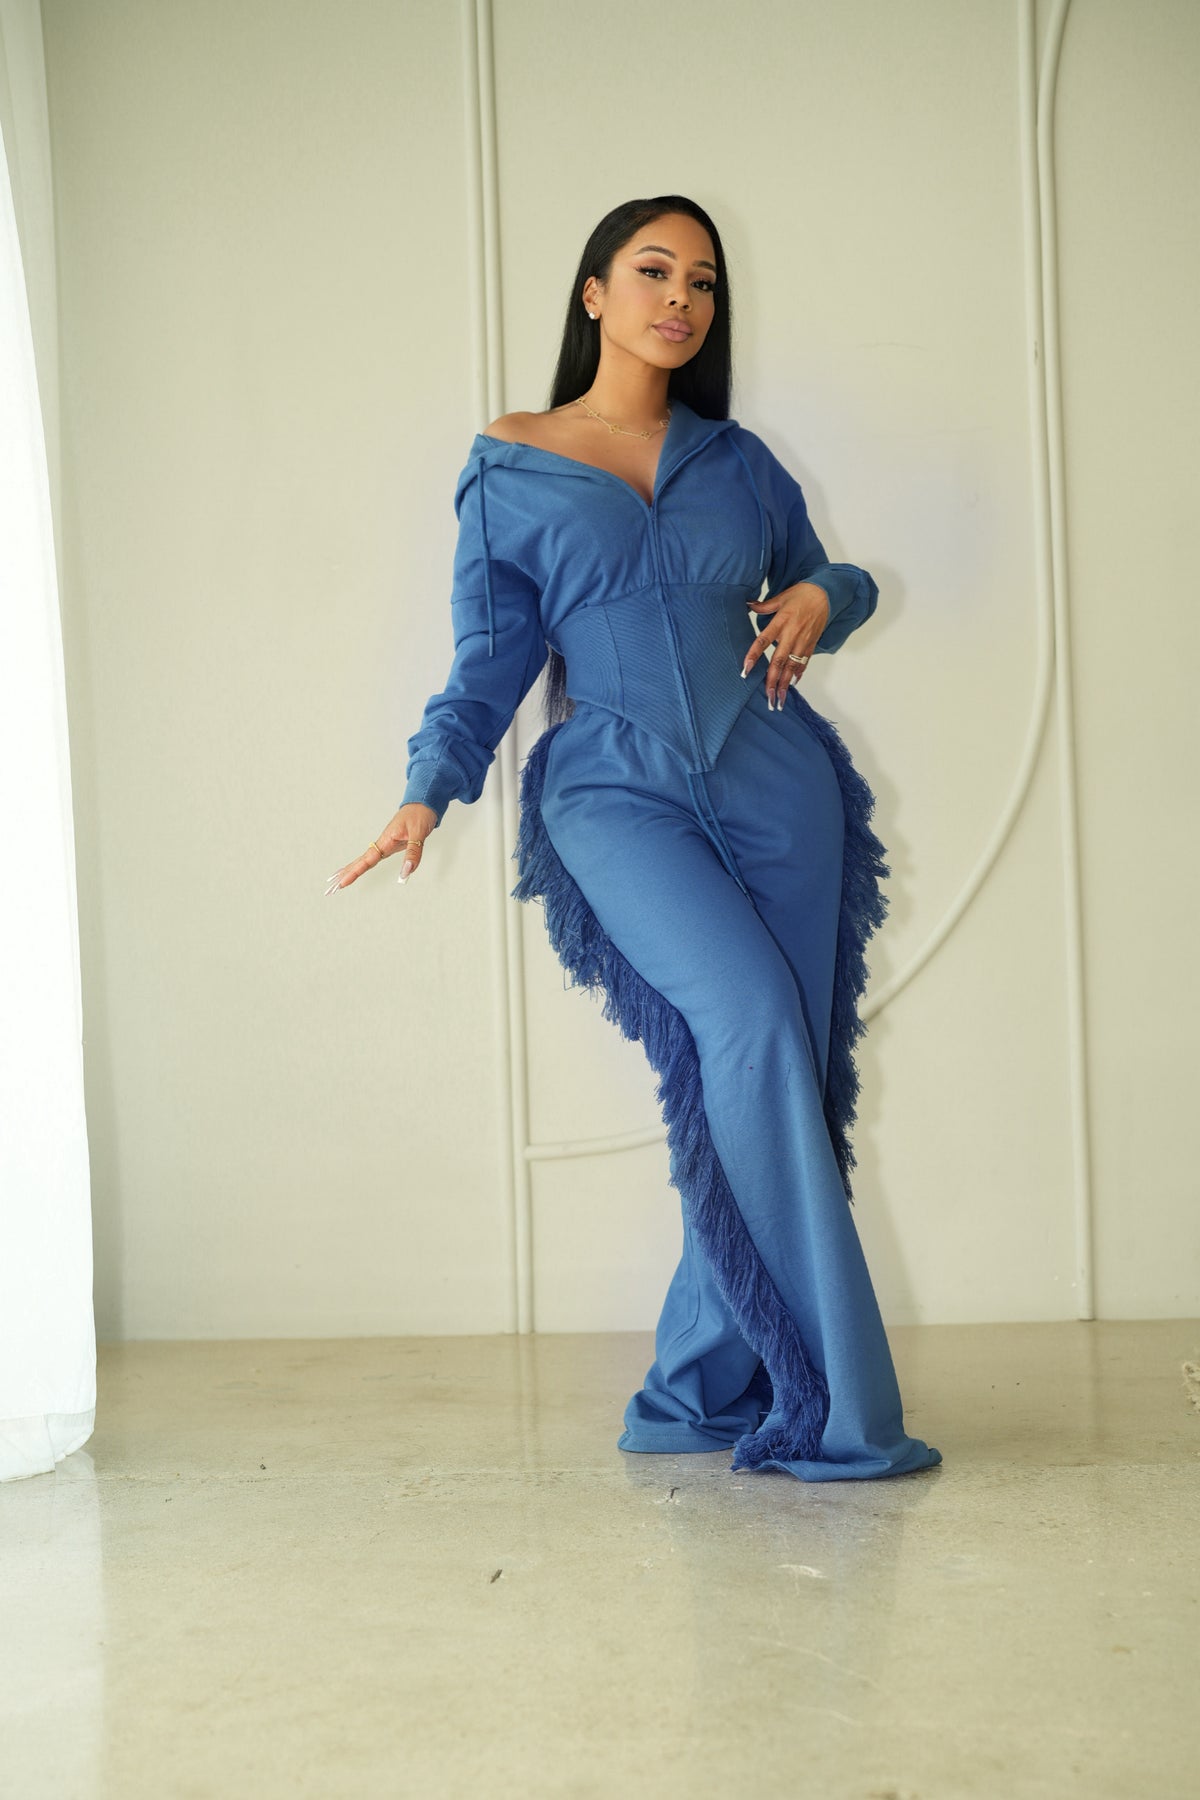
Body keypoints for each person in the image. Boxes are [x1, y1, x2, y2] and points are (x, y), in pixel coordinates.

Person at [326, 195, 942, 1482]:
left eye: (703, 282)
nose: (682, 299)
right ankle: (836, 1405)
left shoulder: (741, 461)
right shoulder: (513, 463)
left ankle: (690, 1388)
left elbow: (840, 581)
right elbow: (489, 660)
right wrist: (429, 786)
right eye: (655, 271)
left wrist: (825, 592)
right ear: (594, 293)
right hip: (613, 792)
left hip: (780, 786)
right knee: (750, 1027)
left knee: (780, 1078)